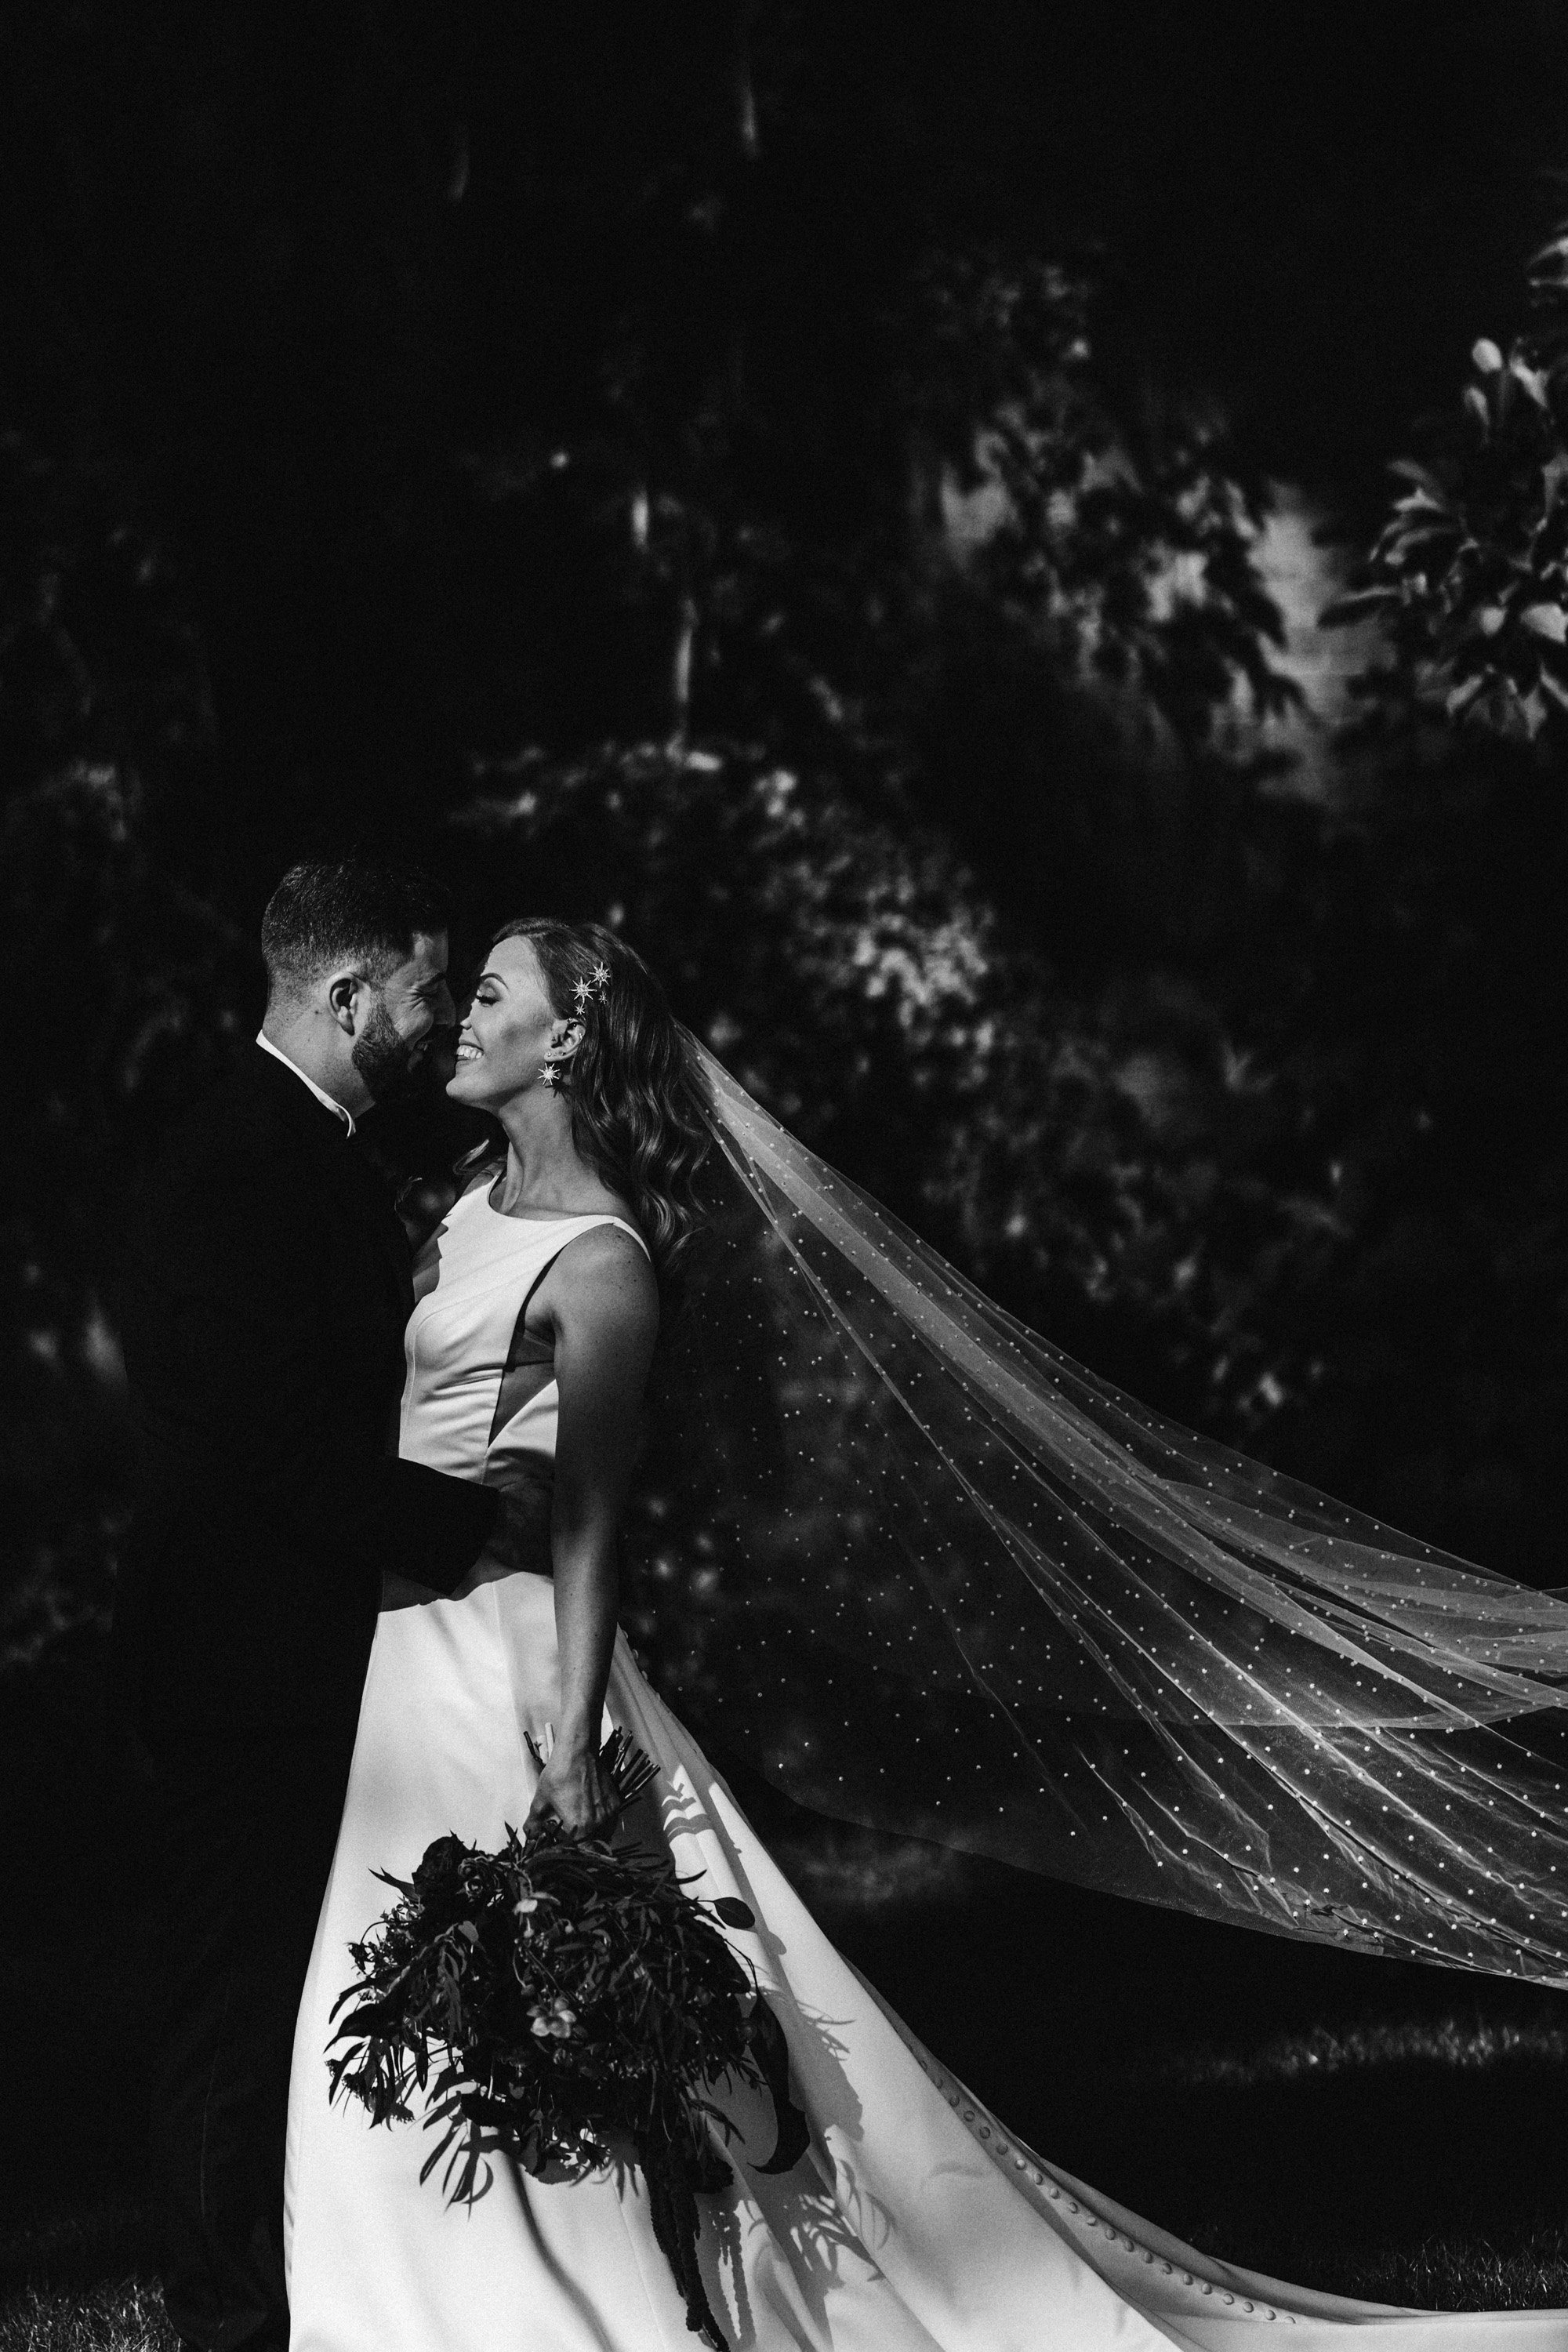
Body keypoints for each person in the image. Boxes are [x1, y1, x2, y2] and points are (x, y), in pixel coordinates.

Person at [284, 915, 1568, 2352]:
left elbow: (589, 1528)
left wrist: (571, 1749)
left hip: (513, 1667)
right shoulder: (460, 1205)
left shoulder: (601, 1264)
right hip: (402, 1654)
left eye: (494, 994)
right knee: (396, 1982)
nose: (460, 1015)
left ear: (569, 1037)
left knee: (563, 2010)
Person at [116, 862, 528, 2352]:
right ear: (349, 998)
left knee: (303, 1992)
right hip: (239, 1656)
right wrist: (471, 1523)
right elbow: (271, 1442)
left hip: (307, 1647)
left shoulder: (310, 1151)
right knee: (234, 2011)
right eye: (423, 992)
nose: (432, 1023)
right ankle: (228, 2321)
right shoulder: (239, 1159)